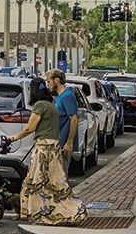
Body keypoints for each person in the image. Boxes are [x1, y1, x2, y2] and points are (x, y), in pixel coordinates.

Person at [9, 77, 87, 226]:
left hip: (43, 149)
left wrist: (13, 138)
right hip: (54, 147)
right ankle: (64, 209)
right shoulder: (51, 104)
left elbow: (29, 128)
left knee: (37, 182)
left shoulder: (39, 106)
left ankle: (40, 212)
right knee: (54, 183)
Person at [46, 68, 78, 165]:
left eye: (49, 81)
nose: (48, 84)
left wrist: (69, 142)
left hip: (63, 145)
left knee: (60, 177)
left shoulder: (67, 96)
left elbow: (74, 119)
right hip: (56, 144)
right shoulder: (60, 97)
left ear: (57, 80)